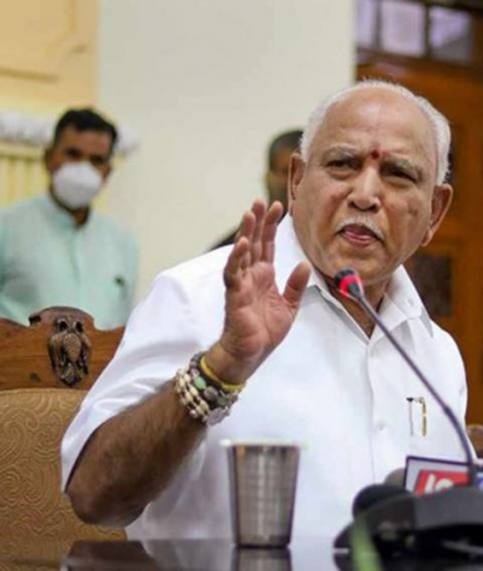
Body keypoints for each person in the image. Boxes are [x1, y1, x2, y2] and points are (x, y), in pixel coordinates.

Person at [61, 81, 458, 542]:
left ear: (435, 212)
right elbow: (93, 496)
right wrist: (220, 368)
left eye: (399, 174)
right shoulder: (198, 296)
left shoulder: (436, 354)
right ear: (296, 181)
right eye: (342, 164)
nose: (366, 194)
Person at [0, 108, 137, 329]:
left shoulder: (122, 242)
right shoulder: (6, 227)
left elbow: (123, 328)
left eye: (96, 160)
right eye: (73, 155)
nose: (83, 168)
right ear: (49, 158)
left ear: (107, 172)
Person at [211, 129, 303, 249]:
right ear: (269, 177)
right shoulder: (236, 247)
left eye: (302, 172)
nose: (293, 181)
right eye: (286, 172)